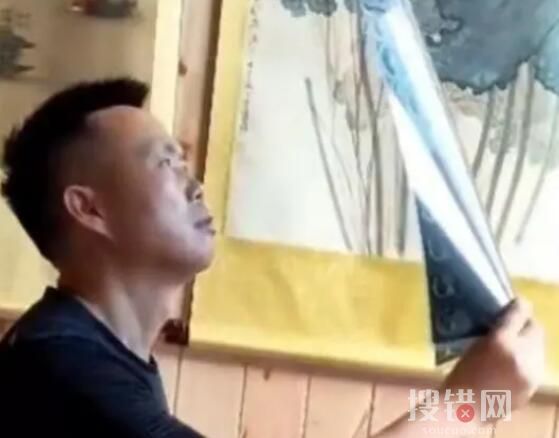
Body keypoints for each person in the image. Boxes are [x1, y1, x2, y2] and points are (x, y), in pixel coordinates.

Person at [0, 79, 544, 438]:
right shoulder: (59, 365)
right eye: (166, 163)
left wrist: (479, 402)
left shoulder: (95, 356)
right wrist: (472, 404)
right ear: (89, 209)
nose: (195, 185)